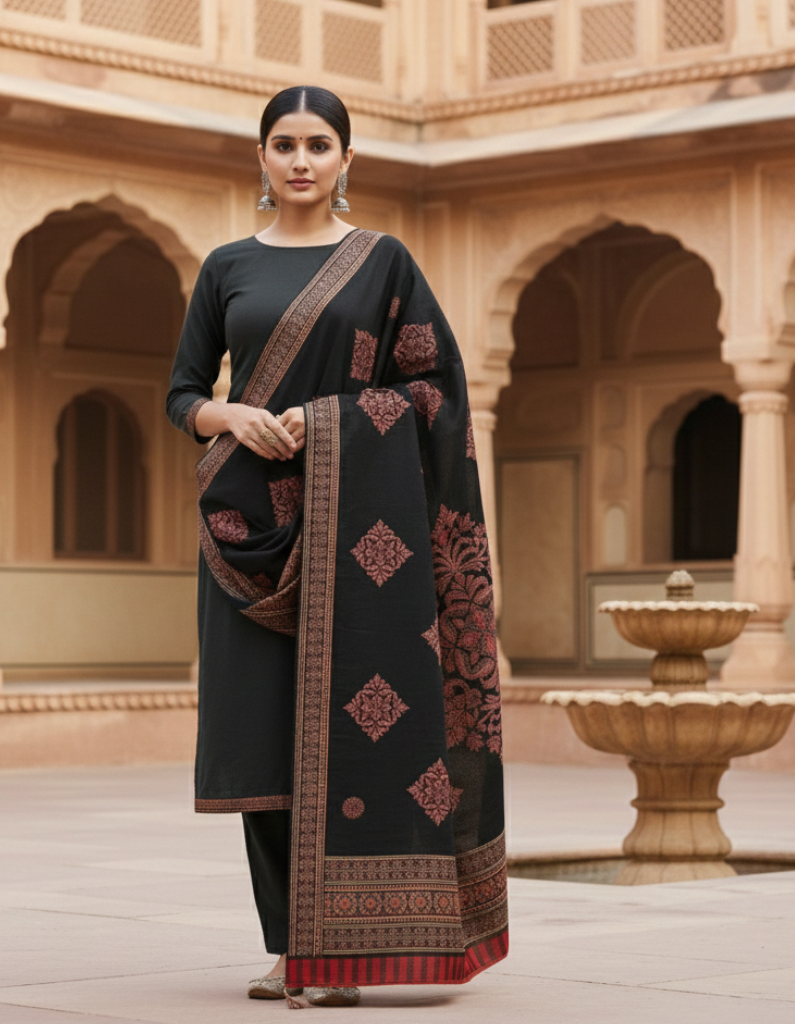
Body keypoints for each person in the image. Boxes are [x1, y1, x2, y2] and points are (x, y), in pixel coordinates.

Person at [166, 86, 508, 1009]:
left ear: (347, 160)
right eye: (285, 144)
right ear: (262, 158)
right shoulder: (226, 266)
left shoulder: (382, 263)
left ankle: (345, 953)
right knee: (262, 749)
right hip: (247, 538)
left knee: (358, 725)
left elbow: (434, 387)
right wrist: (230, 413)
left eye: (320, 144)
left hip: (363, 540)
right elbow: (181, 393)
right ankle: (289, 949)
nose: (302, 160)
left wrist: (327, 424)